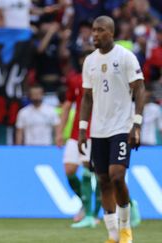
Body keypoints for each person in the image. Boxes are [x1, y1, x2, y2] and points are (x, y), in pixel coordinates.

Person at [78, 16, 145, 243]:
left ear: (111, 33)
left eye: (100, 30)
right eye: (93, 30)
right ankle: (113, 235)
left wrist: (137, 123)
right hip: (98, 130)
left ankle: (126, 229)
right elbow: (87, 98)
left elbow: (140, 88)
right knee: (103, 180)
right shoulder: (90, 61)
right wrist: (82, 129)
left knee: (117, 176)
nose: (95, 34)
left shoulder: (125, 57)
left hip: (121, 127)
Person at [56, 51, 101, 228]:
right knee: (69, 170)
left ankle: (93, 214)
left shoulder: (102, 79)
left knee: (93, 173)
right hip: (76, 133)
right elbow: (67, 105)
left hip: (96, 132)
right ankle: (85, 204)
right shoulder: (75, 79)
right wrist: (60, 131)